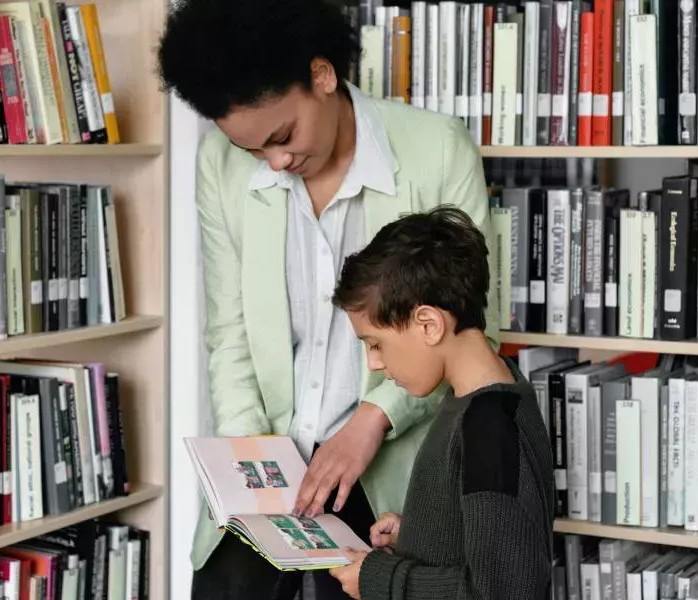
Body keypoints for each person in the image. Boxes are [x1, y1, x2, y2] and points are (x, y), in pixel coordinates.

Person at [155, 0, 499, 597]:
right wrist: (250, 462)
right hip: (270, 463)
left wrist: (372, 420)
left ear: (322, 75)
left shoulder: (437, 148)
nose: (277, 162)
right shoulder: (218, 165)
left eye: (283, 136)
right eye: (253, 150)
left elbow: (471, 327)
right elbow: (229, 332)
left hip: (393, 467)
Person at [327, 207, 554, 600]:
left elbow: (501, 592)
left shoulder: (489, 428)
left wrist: (381, 579)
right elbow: (490, 540)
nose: (374, 363)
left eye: (376, 344)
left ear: (429, 324)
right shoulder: (474, 400)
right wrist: (418, 533)